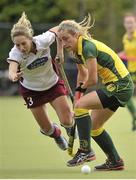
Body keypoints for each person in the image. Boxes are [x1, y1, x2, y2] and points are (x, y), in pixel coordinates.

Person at [57, 14, 134, 170]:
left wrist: (79, 101)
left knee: (81, 106)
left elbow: (92, 79)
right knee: (94, 127)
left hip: (120, 85)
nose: (64, 43)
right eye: (61, 40)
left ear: (76, 35)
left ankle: (85, 151)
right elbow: (83, 75)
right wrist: (76, 101)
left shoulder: (87, 47)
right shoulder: (76, 51)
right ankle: (115, 161)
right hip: (116, 86)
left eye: (66, 39)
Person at [7, 12, 75, 152]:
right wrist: (14, 76)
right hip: (32, 91)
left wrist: (60, 51)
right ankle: (56, 135)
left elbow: (60, 28)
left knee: (67, 120)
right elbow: (12, 70)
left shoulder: (43, 40)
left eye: (23, 43)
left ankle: (69, 128)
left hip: (53, 84)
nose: (21, 48)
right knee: (47, 129)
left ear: (30, 38)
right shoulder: (16, 54)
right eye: (17, 45)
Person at [118, 13, 136, 131]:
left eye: (131, 22)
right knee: (127, 96)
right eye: (127, 23)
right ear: (124, 25)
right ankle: (135, 117)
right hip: (131, 71)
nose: (129, 25)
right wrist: (115, 55)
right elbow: (126, 52)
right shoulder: (125, 37)